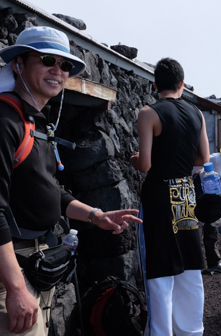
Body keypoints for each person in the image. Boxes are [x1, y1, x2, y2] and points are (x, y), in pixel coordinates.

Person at [0, 26, 142, 336]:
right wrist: (15, 288)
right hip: (13, 270)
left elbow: (51, 189)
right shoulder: (5, 121)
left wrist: (96, 215)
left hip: (35, 266)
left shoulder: (33, 121)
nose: (58, 70)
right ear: (18, 65)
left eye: (65, 65)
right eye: (47, 60)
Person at [130, 58, 212, 336]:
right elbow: (203, 159)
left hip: (158, 196)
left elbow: (146, 165)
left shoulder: (148, 113)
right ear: (181, 83)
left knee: (159, 268)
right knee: (190, 265)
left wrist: (135, 159)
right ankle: (191, 331)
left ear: (155, 84)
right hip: (185, 193)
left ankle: (161, 332)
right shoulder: (196, 113)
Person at [195, 143, 221, 274]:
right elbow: (215, 187)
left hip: (205, 194)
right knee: (205, 229)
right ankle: (199, 264)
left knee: (208, 230)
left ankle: (211, 262)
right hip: (201, 194)